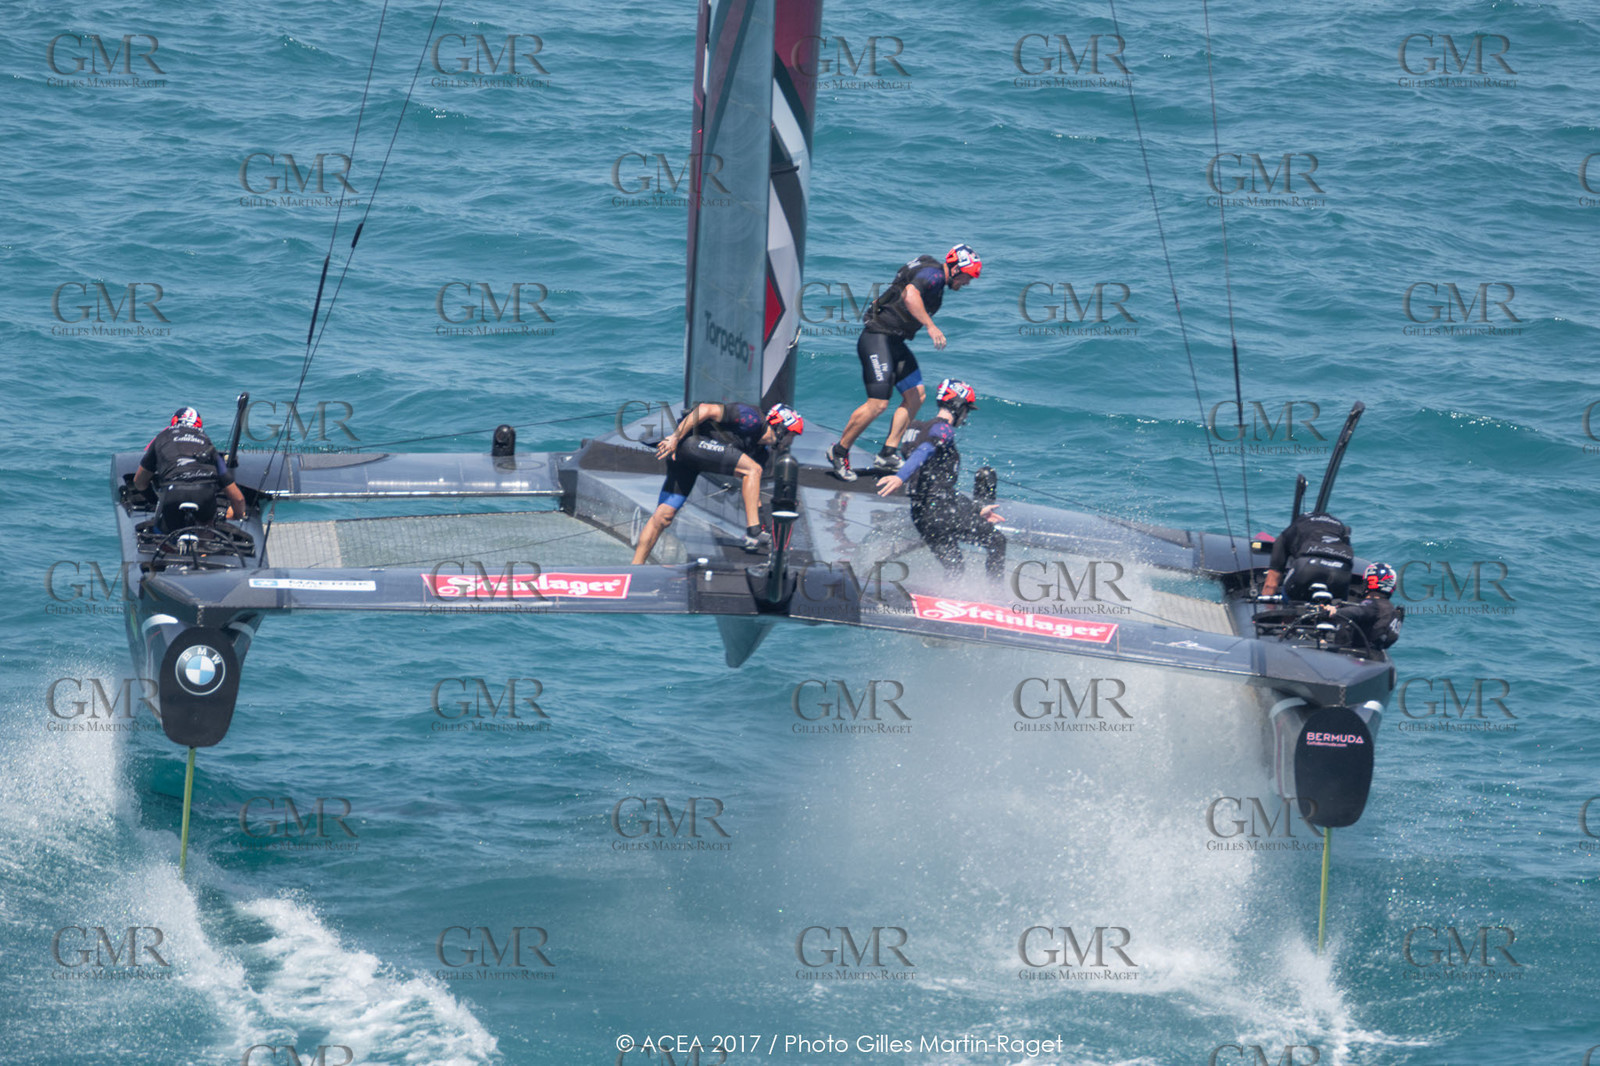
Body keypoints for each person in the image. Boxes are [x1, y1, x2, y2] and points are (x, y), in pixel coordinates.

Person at [829, 244, 983, 481]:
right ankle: (839, 451)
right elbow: (909, 295)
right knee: (878, 404)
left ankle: (888, 453)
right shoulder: (934, 276)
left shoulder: (931, 268)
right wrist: (931, 327)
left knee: (916, 395)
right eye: (966, 277)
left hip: (895, 342)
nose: (967, 283)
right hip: (877, 338)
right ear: (954, 268)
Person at [632, 402, 804, 563]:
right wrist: (675, 437)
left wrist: (765, 530)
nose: (791, 442)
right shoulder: (750, 418)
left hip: (691, 461)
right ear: (780, 428)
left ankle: (634, 569)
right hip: (690, 443)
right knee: (753, 470)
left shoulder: (761, 453)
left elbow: (753, 490)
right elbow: (705, 409)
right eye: (792, 435)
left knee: (663, 517)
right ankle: (753, 531)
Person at [875, 379, 1005, 580]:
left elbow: (936, 484)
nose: (966, 416)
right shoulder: (943, 430)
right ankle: (996, 596)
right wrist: (901, 477)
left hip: (921, 515)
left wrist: (976, 509)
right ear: (959, 406)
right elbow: (925, 450)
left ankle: (948, 598)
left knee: (955, 568)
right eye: (967, 410)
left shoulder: (915, 428)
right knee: (997, 541)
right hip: (942, 512)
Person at [132, 407, 246, 533]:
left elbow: (139, 482)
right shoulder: (207, 443)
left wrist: (155, 501)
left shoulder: (161, 438)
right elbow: (238, 498)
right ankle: (204, 549)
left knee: (163, 533)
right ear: (199, 425)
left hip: (173, 494)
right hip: (203, 495)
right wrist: (237, 515)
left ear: (174, 421)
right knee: (206, 532)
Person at [1259, 509, 1354, 601]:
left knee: (1290, 606)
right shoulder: (1340, 527)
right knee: (1336, 611)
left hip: (1308, 568)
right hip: (1341, 571)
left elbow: (1271, 583)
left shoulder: (1291, 530)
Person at [1321, 562, 1403, 650]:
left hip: (1352, 653)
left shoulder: (1374, 604)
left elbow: (1352, 613)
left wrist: (1333, 611)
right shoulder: (1390, 608)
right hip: (1374, 653)